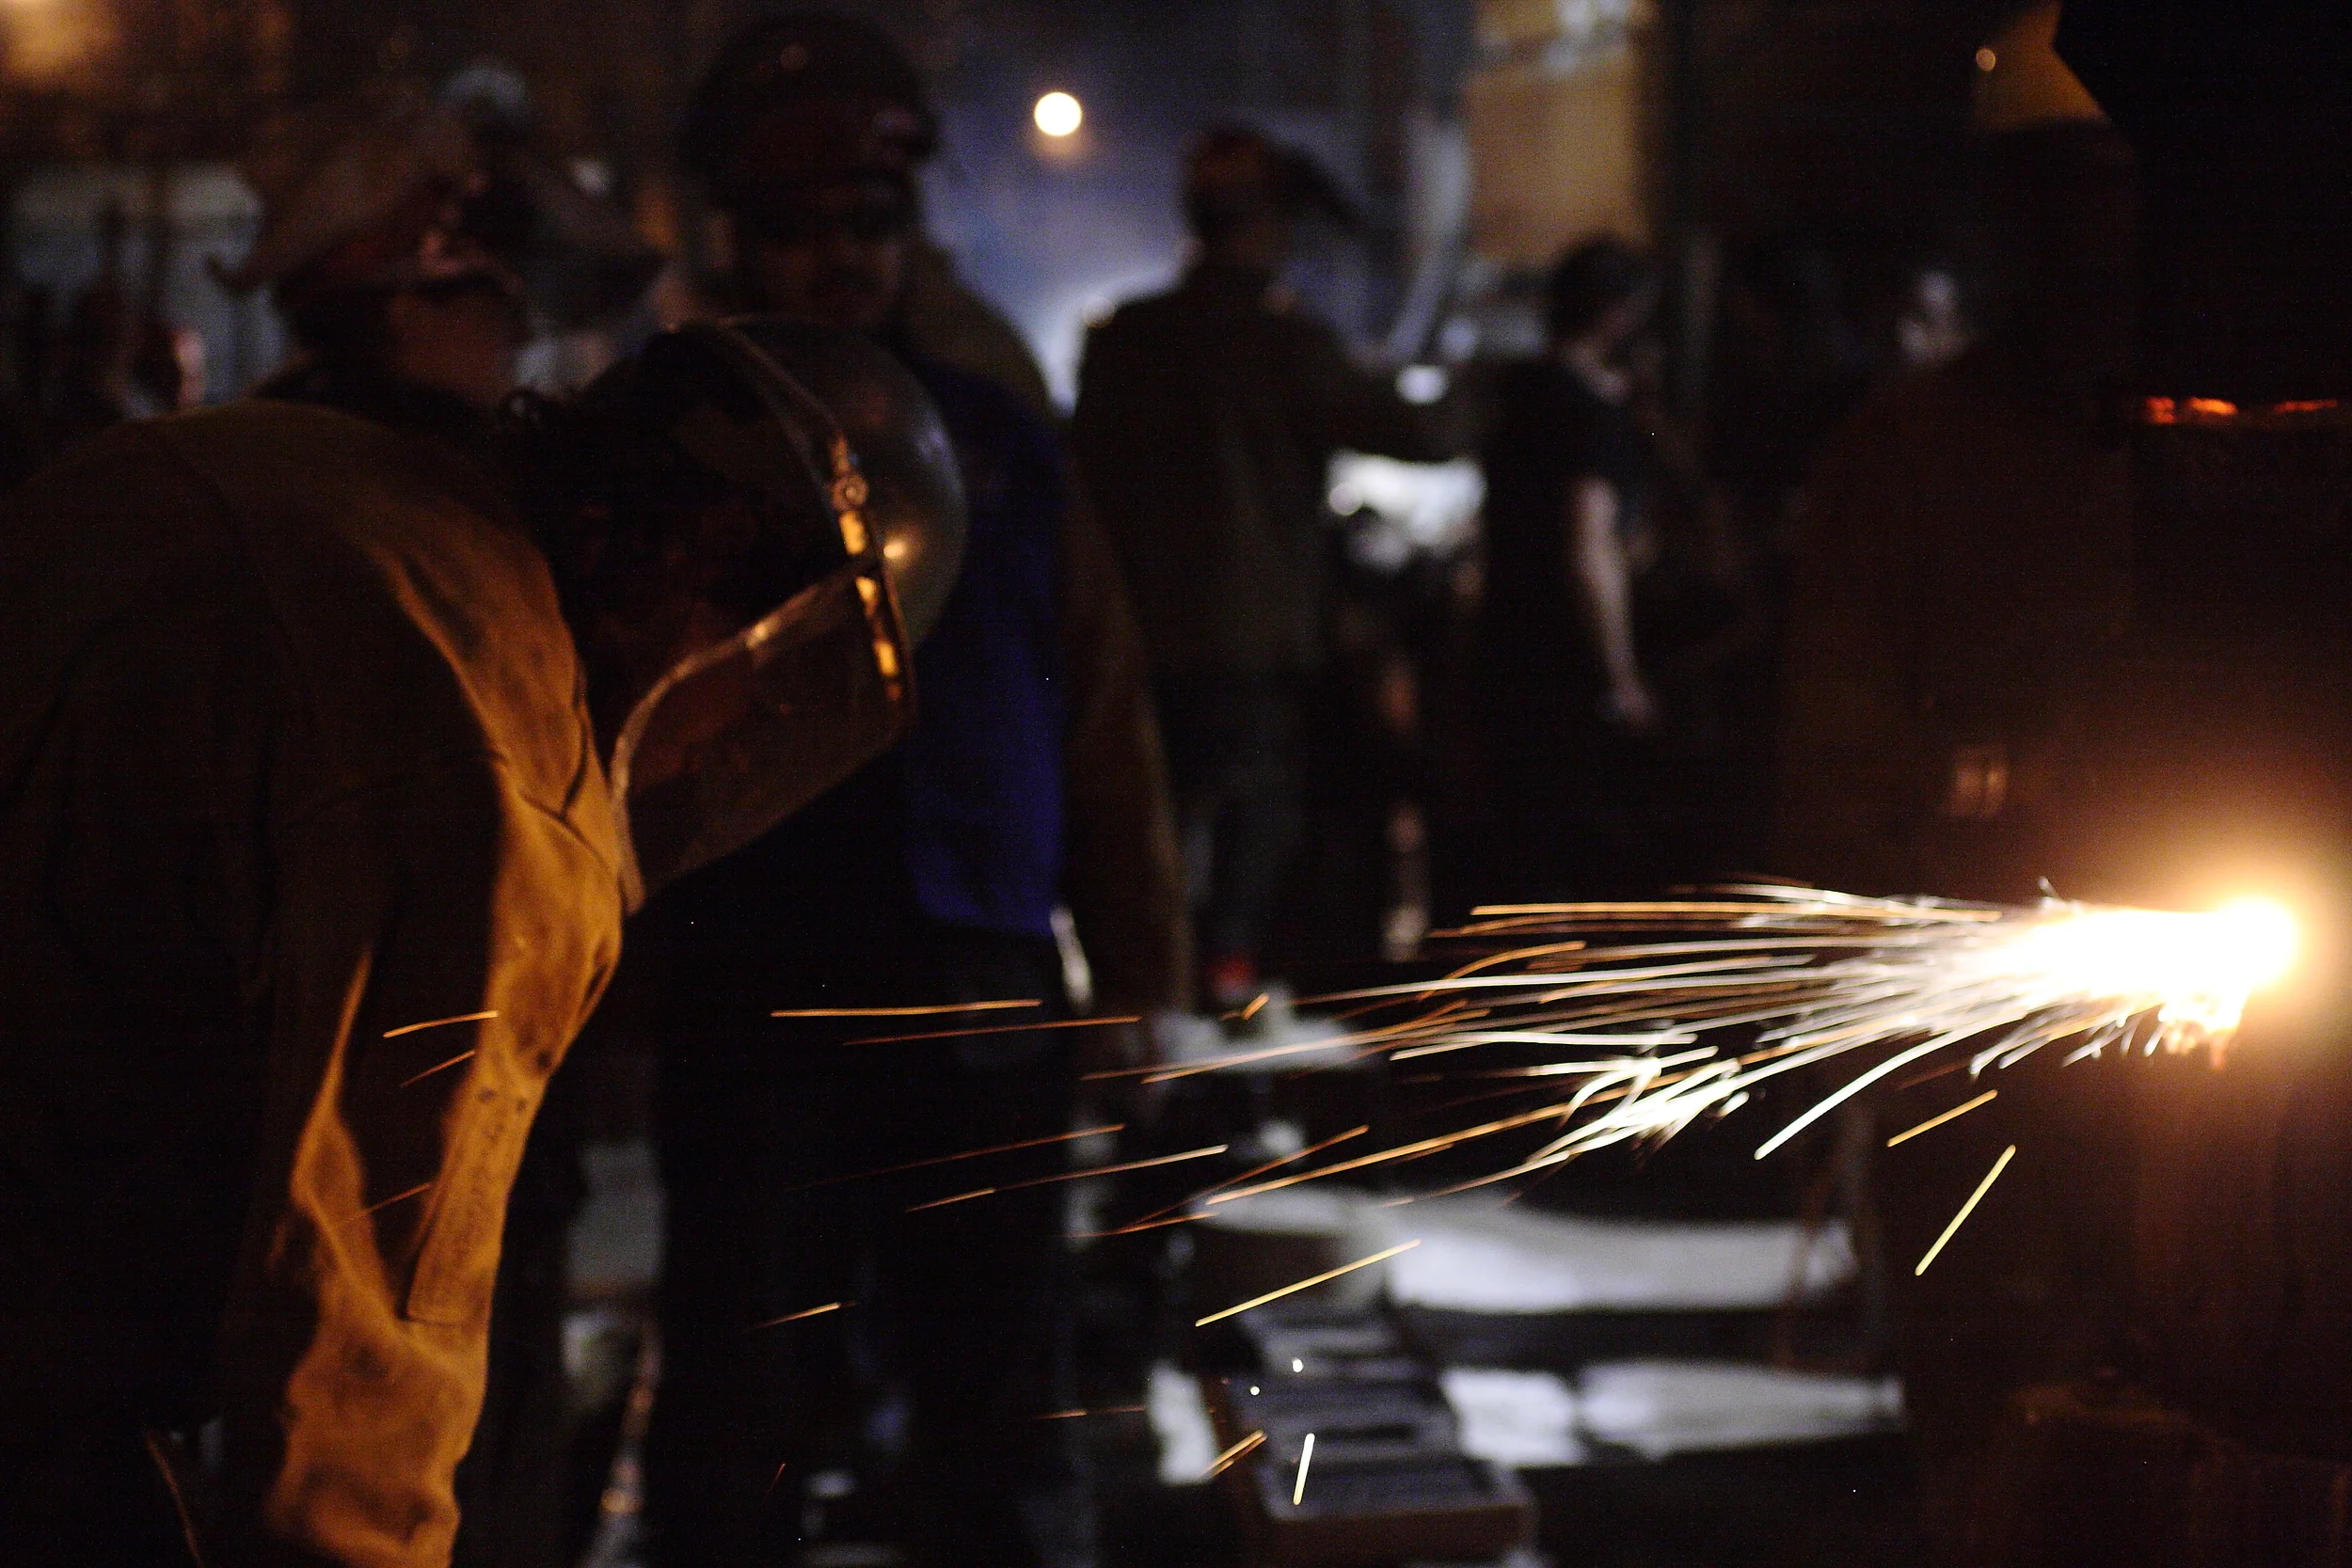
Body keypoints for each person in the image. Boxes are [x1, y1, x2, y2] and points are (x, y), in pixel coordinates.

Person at [0, 84, 957, 1568]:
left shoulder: (283, 478)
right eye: (775, 695)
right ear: (707, 560)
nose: (742, 740)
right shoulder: (499, 767)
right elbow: (359, 1366)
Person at [645, 17, 1187, 1568]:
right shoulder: (673, 444)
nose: (841, 263)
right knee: (739, 1411)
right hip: (755, 984)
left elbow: (1097, 702)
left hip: (973, 983)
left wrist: (1138, 970)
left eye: (869, 227)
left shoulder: (995, 438)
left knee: (999, 1410)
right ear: (741, 239)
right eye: (802, 232)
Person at [1073, 125, 1458, 1010]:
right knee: (1255, 827)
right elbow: (1420, 433)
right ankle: (1227, 989)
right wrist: (1511, 383)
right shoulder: (1275, 341)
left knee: (1147, 828)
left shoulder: (1126, 340)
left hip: (1136, 639)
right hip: (1249, 648)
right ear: (1269, 225)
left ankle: (1149, 1004)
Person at [1472, 236, 1668, 897]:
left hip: (1503, 649)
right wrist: (1621, 676)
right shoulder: (1593, 417)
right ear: (1618, 315)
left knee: (1517, 845)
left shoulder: (1518, 397)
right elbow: (1590, 549)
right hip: (1564, 665)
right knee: (1573, 850)